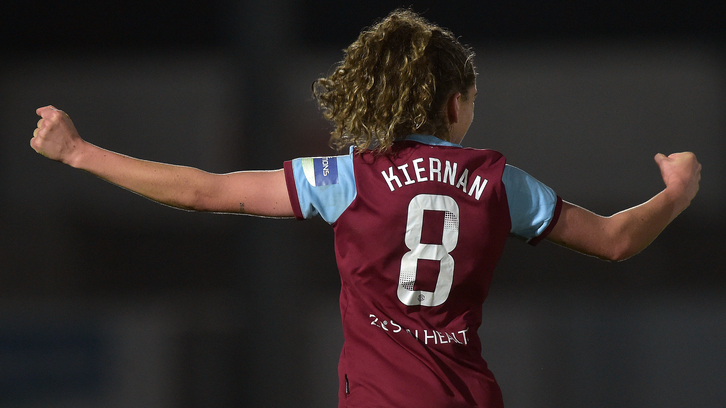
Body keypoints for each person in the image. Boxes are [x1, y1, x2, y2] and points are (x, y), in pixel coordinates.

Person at [31, 9, 700, 408]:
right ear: (454, 104)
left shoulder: (347, 177)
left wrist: (82, 152)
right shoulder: (499, 182)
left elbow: (206, 191)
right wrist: (675, 194)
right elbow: (615, 240)